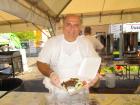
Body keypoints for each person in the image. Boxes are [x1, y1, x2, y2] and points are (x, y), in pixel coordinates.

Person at [37, 14, 100, 104]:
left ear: (80, 28)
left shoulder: (86, 43)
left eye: (76, 25)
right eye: (68, 24)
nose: (72, 28)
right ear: (63, 26)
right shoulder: (52, 42)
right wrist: (51, 74)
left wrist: (95, 75)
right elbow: (41, 62)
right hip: (58, 91)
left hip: (81, 90)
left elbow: (96, 63)